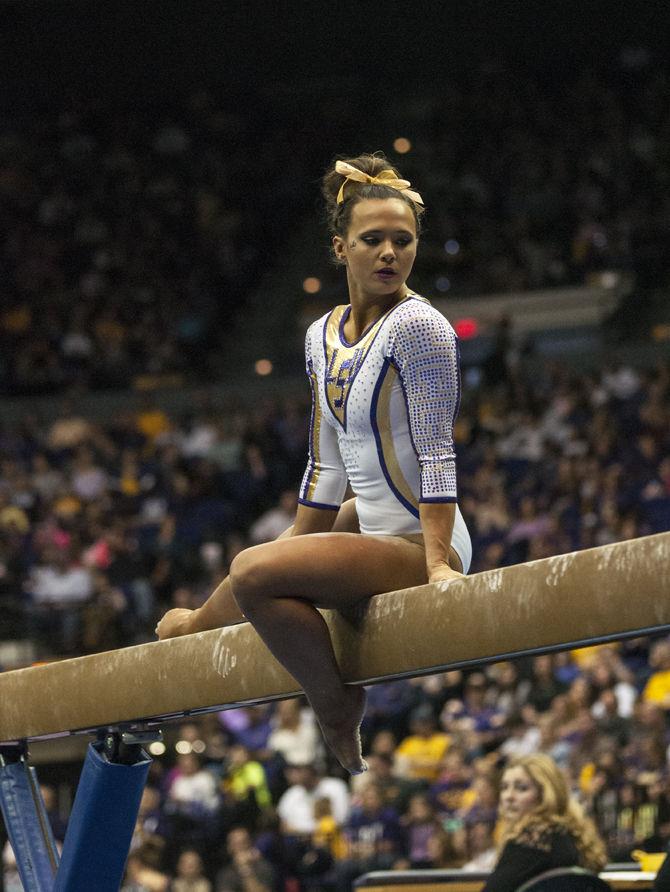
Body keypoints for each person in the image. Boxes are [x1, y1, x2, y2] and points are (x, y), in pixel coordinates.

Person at [156, 153, 472, 773]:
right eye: (372, 240)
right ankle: (197, 625)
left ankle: (333, 703)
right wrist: (298, 550)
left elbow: (436, 449)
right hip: (369, 521)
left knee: (252, 572)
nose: (389, 253)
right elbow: (325, 462)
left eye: (402, 242)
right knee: (271, 562)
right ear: (340, 246)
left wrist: (438, 564)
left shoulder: (422, 327)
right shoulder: (320, 333)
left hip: (420, 536)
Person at [482, 753, 607, 892]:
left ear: (546, 795)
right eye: (504, 787)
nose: (508, 796)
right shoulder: (572, 834)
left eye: (522, 788)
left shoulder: (530, 838)